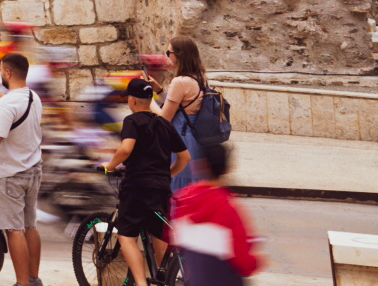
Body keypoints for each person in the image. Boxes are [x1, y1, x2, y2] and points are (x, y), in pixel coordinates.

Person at [104, 77, 191, 286]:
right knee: (158, 234)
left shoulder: (132, 121)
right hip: (160, 188)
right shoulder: (165, 124)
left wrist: (109, 166)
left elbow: (126, 149)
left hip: (137, 188)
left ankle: (142, 283)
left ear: (132, 100)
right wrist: (168, 174)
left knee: (127, 237)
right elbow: (185, 157)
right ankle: (164, 278)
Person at [0, 51, 44, 286]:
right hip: (32, 170)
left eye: (0, 71)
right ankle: (33, 279)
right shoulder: (32, 97)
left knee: (14, 230)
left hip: (9, 175)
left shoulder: (7, 104)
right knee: (30, 227)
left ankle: (21, 283)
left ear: (8, 72)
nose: (0, 75)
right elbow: (6, 105)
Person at [171, 143, 264, 286]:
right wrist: (257, 260)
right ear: (227, 170)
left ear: (198, 166)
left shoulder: (183, 200)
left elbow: (174, 239)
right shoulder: (228, 206)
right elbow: (243, 261)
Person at [152, 35, 212, 193]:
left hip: (181, 140)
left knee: (179, 188)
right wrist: (159, 90)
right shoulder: (200, 78)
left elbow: (164, 119)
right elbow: (183, 107)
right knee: (193, 188)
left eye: (168, 52)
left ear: (179, 55)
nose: (166, 57)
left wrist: (148, 100)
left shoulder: (179, 82)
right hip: (196, 140)